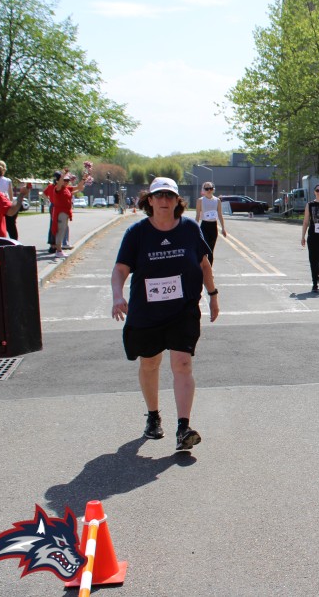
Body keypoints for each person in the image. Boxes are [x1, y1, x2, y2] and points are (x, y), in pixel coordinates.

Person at [110, 177, 219, 452]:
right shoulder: (137, 233)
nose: (164, 200)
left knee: (182, 363)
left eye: (169, 196)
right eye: (158, 195)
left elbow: (204, 265)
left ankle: (183, 428)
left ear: (176, 201)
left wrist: (213, 295)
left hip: (183, 309)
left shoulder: (190, 229)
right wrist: (118, 295)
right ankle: (153, 416)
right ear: (150, 200)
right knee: (149, 363)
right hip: (147, 311)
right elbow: (120, 269)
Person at [43, 171, 86, 258]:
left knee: (62, 231)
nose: (66, 182)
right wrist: (62, 176)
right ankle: (58, 250)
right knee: (60, 231)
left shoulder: (67, 189)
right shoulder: (57, 188)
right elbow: (58, 185)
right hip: (60, 212)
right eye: (65, 180)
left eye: (67, 180)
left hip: (65, 212)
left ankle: (59, 249)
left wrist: (84, 179)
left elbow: (79, 187)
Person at [195, 182, 227, 264]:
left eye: (210, 188)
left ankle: (209, 270)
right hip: (204, 226)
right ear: (203, 190)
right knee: (204, 250)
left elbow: (220, 215)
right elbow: (198, 215)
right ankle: (203, 268)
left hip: (213, 227)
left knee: (210, 251)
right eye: (207, 189)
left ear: (213, 189)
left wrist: (223, 228)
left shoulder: (217, 200)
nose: (209, 190)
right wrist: (194, 228)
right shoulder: (200, 201)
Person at [0, 160, 20, 240]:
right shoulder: (8, 180)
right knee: (11, 226)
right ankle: (15, 242)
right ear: (4, 169)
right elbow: (11, 195)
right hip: (5, 204)